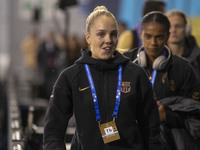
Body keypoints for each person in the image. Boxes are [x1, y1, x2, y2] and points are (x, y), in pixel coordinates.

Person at [43, 6, 161, 150]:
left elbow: (151, 131)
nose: (108, 40)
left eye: (113, 34)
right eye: (101, 34)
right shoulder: (71, 77)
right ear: (88, 37)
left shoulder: (136, 74)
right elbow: (53, 132)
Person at [124, 11, 200, 150]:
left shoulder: (182, 68)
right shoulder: (124, 63)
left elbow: (196, 114)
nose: (153, 43)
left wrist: (168, 116)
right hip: (130, 142)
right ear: (141, 34)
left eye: (159, 37)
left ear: (167, 36)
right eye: (148, 36)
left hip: (167, 143)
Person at [166, 10, 200, 79]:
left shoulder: (198, 57)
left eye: (178, 26)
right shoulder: (155, 57)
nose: (173, 30)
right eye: (169, 27)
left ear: (187, 29)